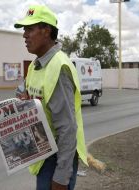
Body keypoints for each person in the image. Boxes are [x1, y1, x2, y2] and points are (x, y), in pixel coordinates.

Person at [14, 5, 88, 190]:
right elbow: (23, 91)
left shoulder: (59, 67)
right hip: (44, 152)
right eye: (24, 30)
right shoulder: (36, 64)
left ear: (46, 31)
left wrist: (61, 178)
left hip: (57, 159)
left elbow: (68, 129)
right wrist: (24, 99)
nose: (24, 35)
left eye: (29, 29)